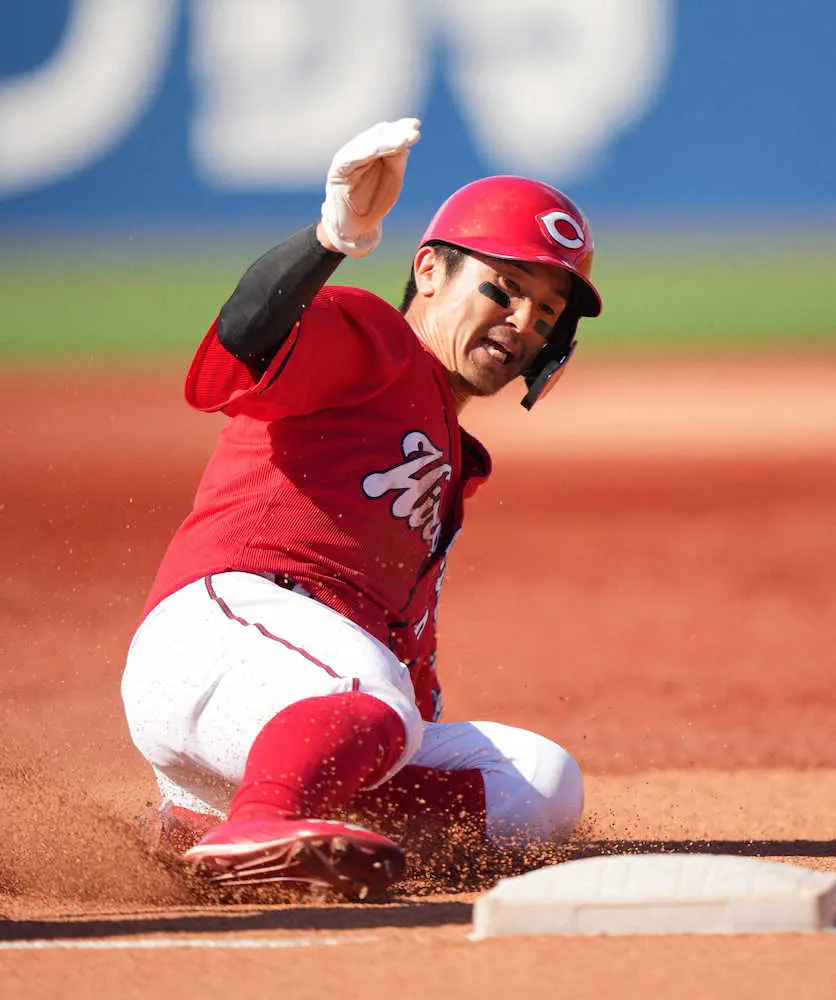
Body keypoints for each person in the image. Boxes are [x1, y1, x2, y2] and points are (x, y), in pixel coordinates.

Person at [121, 118, 602, 900]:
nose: (522, 323)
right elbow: (245, 342)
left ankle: (214, 824)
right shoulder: (373, 337)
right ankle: (264, 820)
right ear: (431, 271)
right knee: (370, 695)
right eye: (506, 289)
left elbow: (409, 670)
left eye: (546, 313)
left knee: (540, 785)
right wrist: (331, 237)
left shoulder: (448, 464)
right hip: (222, 637)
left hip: (281, 702)